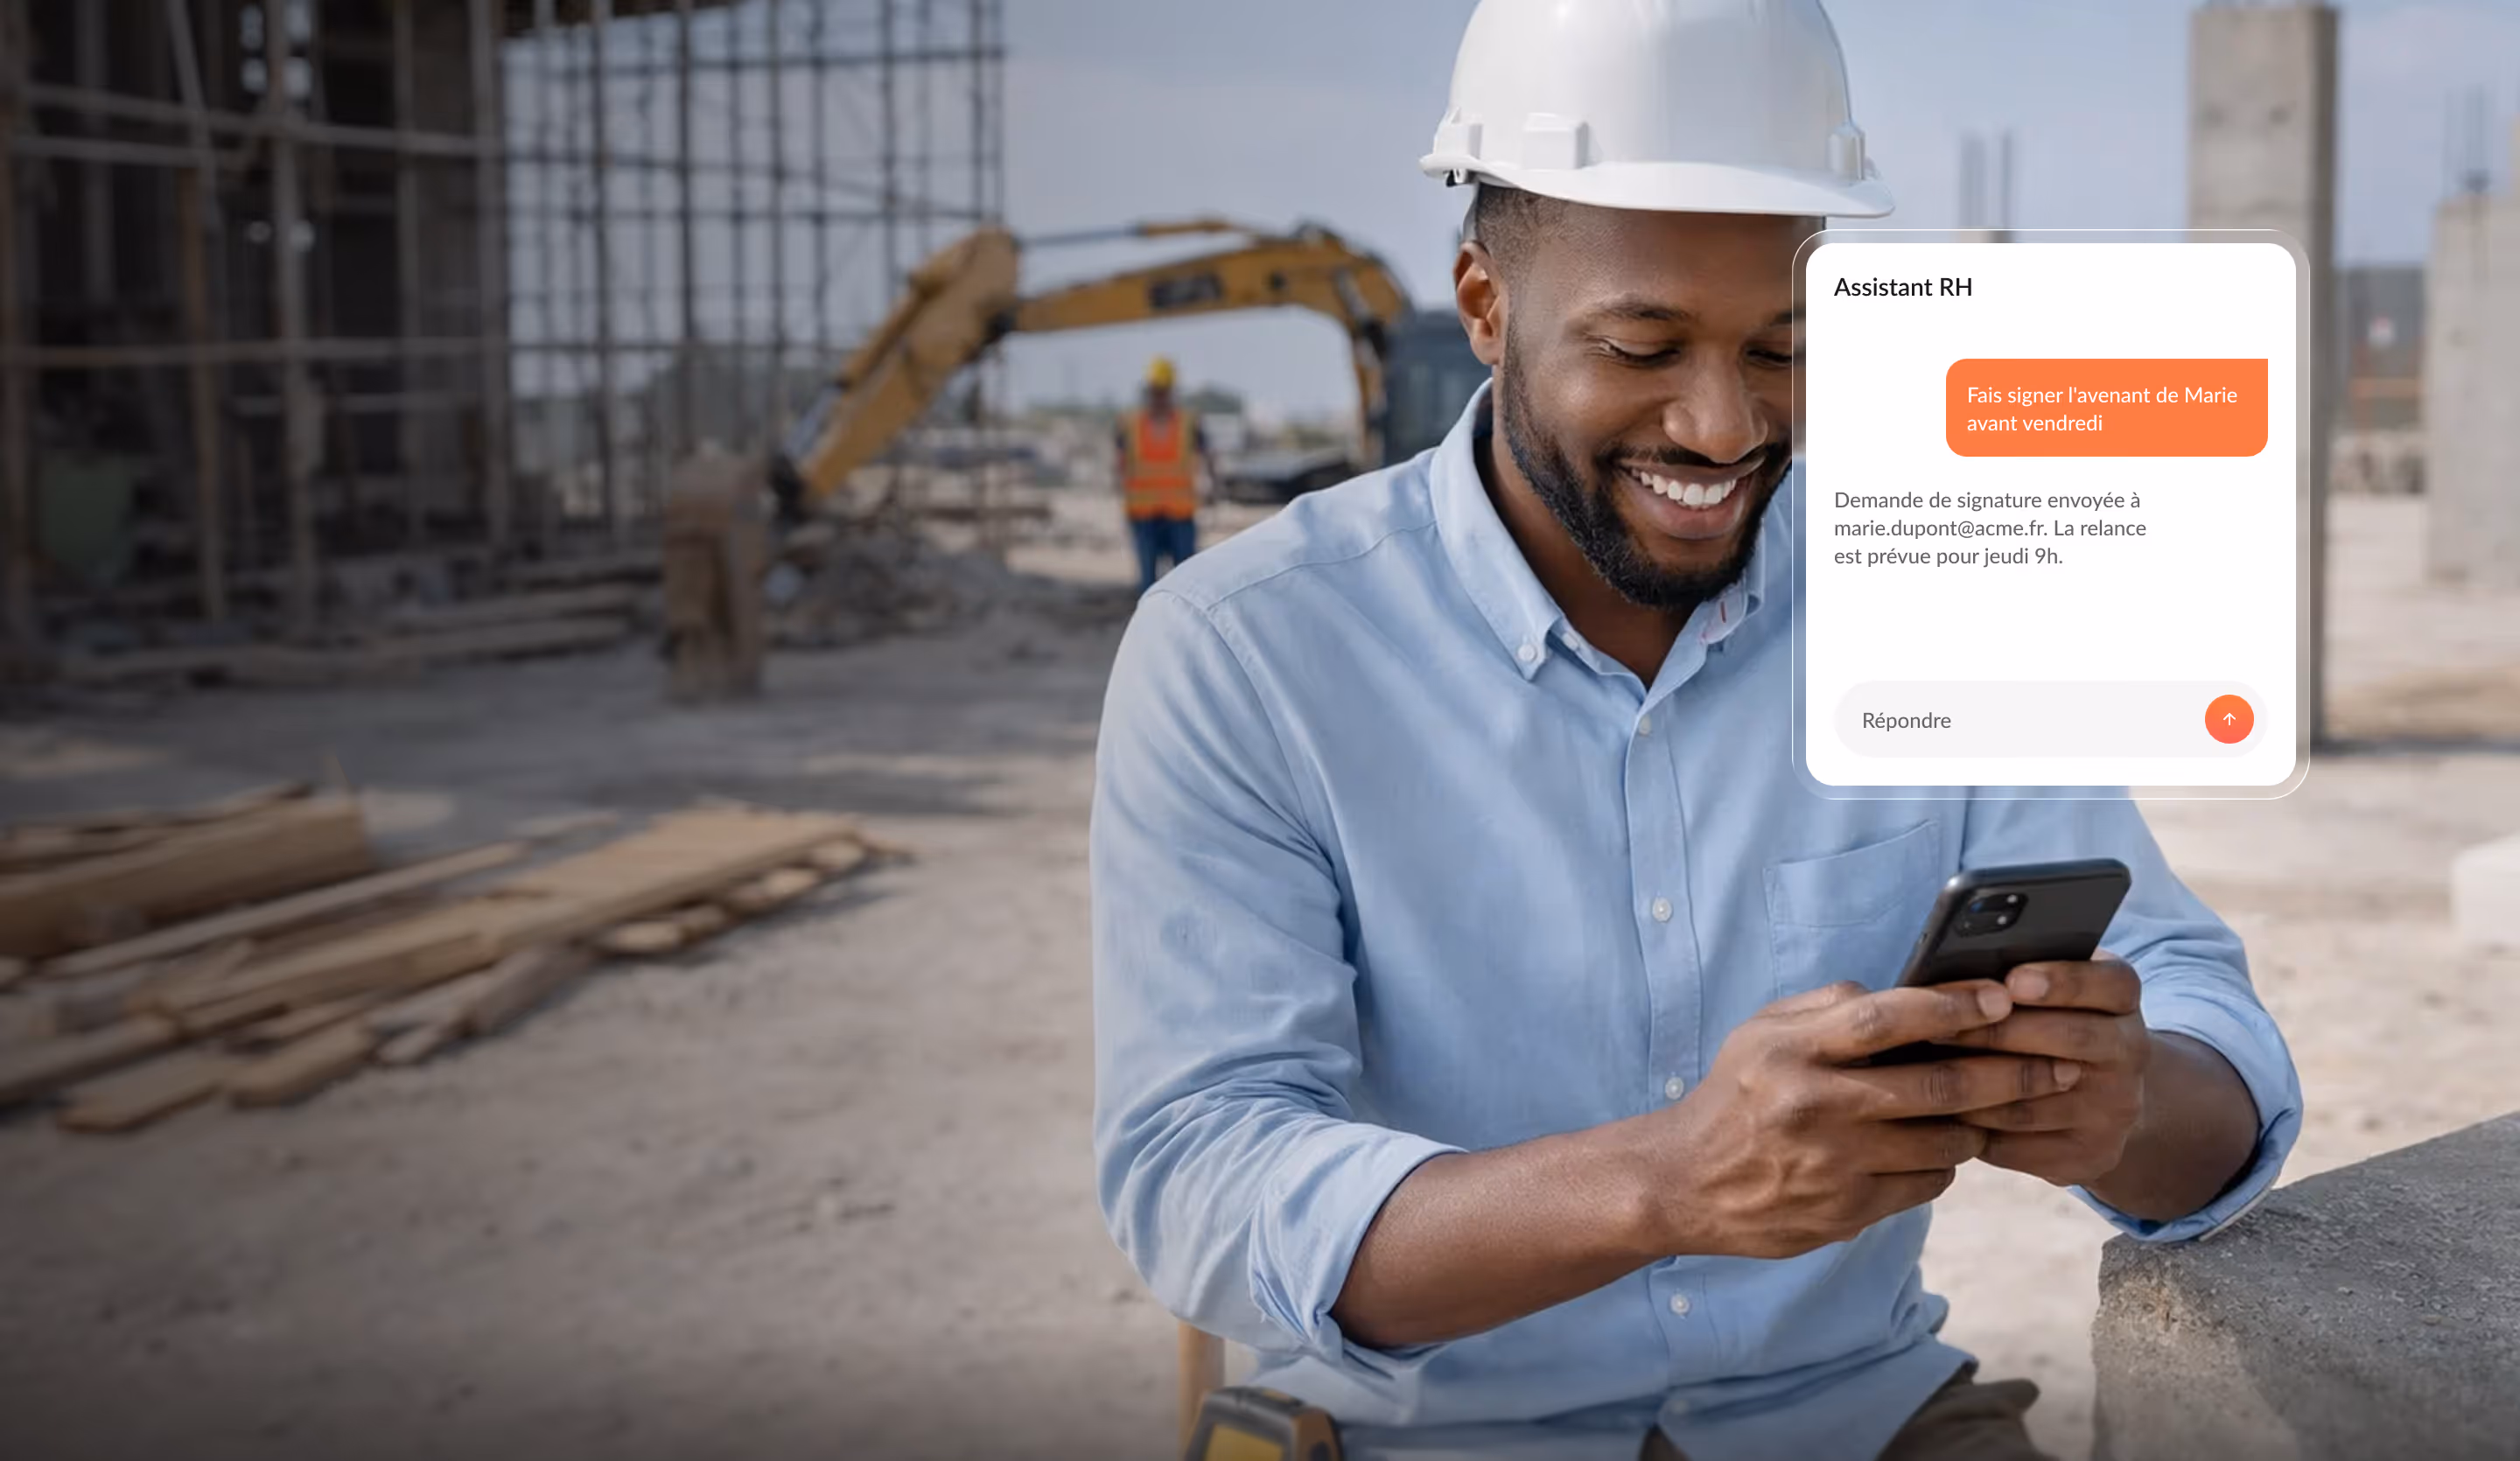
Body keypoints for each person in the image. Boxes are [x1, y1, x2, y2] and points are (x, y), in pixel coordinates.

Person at [1090, 3, 2300, 1459]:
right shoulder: (1249, 652)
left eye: (1783, 347)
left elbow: (2208, 1053)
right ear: (1484, 302)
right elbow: (1200, 1172)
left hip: (1850, 1420)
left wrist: (2124, 1106)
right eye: (1643, 345)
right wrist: (1666, 1182)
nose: (1726, 426)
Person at [1116, 355, 1213, 592]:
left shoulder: (1189, 423)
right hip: (1143, 514)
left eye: (1163, 391)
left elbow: (1209, 456)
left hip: (1180, 513)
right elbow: (1118, 464)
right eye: (1155, 391)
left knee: (1186, 582)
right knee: (1147, 584)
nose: (1158, 396)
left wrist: (1214, 487)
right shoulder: (1129, 424)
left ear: (1171, 391)